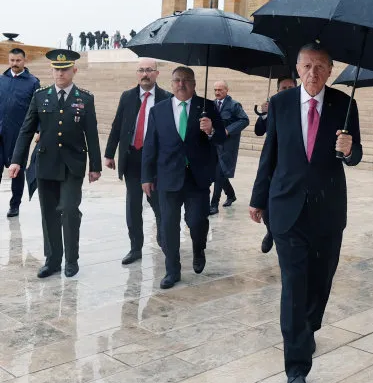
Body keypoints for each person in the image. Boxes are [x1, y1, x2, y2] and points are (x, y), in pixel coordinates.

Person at [249, 43, 362, 383]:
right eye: (307, 66)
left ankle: (310, 325)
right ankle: (296, 369)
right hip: (288, 210)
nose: (313, 73)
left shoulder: (346, 105)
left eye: (320, 67)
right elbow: (271, 154)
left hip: (328, 210)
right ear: (297, 69)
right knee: (294, 286)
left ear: (330, 71)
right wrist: (257, 197)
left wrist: (348, 149)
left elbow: (355, 155)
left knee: (320, 281)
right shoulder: (281, 104)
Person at [9, 50, 101, 278]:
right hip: (46, 163)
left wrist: (95, 166)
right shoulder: (40, 96)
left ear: (74, 70)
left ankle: (72, 259)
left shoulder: (85, 98)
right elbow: (27, 129)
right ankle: (52, 260)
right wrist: (16, 161)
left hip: (72, 165)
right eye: (57, 69)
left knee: (69, 210)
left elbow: (92, 133)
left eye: (65, 69)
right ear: (51, 71)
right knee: (48, 213)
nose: (60, 73)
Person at [141, 66, 226, 289]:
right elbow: (150, 145)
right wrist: (146, 176)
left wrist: (211, 131)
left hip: (196, 178)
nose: (181, 84)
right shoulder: (159, 110)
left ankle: (199, 248)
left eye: (186, 80)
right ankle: (172, 270)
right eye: (177, 80)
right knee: (168, 226)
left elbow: (221, 141)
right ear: (171, 84)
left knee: (197, 221)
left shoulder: (206, 107)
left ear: (194, 84)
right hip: (167, 178)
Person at [104, 58, 171, 265]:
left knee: (159, 203)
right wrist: (109, 154)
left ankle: (164, 238)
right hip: (132, 157)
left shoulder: (166, 98)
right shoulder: (127, 97)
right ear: (137, 73)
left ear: (157, 73)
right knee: (133, 206)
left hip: (155, 161)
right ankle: (135, 248)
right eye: (141, 70)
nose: (145, 74)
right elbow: (117, 125)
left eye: (149, 70)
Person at [255, 76, 297, 253]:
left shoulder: (301, 107)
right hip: (274, 164)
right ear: (277, 91)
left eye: (290, 87)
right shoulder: (274, 106)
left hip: (293, 165)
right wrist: (264, 114)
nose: (287, 90)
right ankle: (270, 231)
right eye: (283, 88)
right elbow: (259, 131)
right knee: (268, 205)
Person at [0, 48, 40, 217]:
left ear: (25, 61)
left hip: (19, 136)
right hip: (0, 132)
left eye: (18, 61)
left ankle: (15, 205)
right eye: (12, 61)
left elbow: (37, 109)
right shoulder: (2, 80)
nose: (14, 64)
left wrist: (39, 130)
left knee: (17, 171)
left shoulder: (33, 82)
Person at [209, 80, 249, 214]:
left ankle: (214, 204)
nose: (217, 92)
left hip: (227, 146)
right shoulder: (211, 105)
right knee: (219, 174)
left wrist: (228, 130)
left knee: (219, 173)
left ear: (227, 90)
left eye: (220, 90)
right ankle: (231, 195)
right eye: (215, 90)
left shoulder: (234, 105)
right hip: (214, 145)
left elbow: (245, 120)